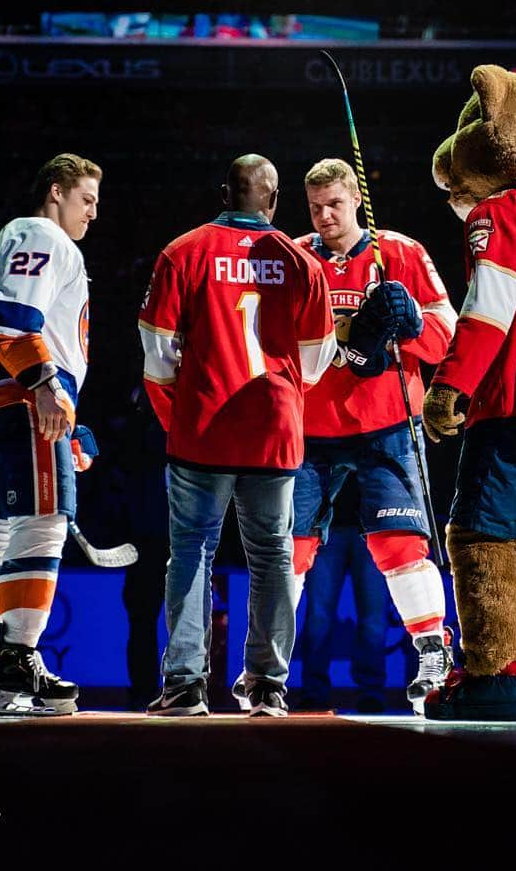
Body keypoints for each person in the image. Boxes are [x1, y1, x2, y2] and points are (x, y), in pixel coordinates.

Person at [236, 157, 457, 713]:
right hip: (309, 430)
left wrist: (409, 325)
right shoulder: (294, 255)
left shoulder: (399, 252)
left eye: (335, 204)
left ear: (356, 199)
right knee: (291, 551)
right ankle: (266, 670)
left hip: (388, 424)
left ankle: (433, 655)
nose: (326, 216)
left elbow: (447, 337)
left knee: (400, 546)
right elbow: (261, 338)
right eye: (315, 207)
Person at [139, 154, 336, 717]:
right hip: (274, 431)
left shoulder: (183, 252)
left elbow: (157, 356)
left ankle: (184, 685)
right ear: (275, 201)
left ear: (223, 192)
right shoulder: (303, 263)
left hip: (201, 428)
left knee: (191, 552)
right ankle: (269, 685)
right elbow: (317, 364)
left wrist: (180, 415)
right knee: (273, 556)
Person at [0, 153, 101, 717]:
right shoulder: (41, 233)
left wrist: (62, 406)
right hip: (19, 397)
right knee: (43, 525)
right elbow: (14, 318)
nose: (93, 213)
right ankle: (20, 659)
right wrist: (42, 385)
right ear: (55, 191)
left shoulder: (11, 239)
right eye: (86, 199)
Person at [298, 475, 390, 713]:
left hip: (372, 525)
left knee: (373, 618)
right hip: (327, 527)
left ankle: (372, 692)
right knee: (318, 617)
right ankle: (314, 691)